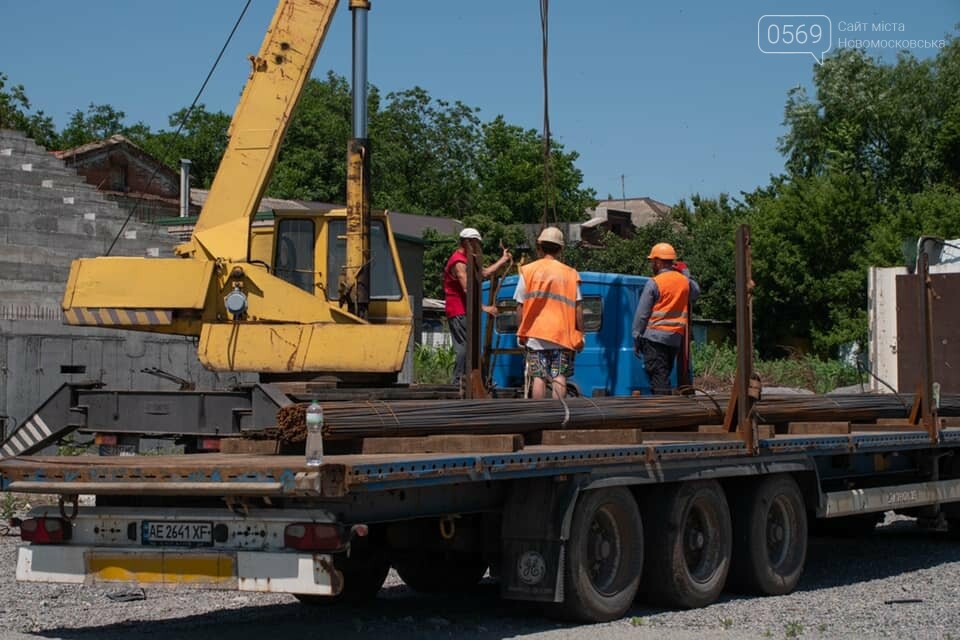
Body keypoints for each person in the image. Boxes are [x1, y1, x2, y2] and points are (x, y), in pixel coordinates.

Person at [515, 227, 584, 399]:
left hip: (535, 335)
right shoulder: (570, 274)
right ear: (560, 249)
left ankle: (539, 415)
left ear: (539, 247)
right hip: (562, 336)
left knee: (538, 376)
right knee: (558, 375)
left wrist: (520, 332)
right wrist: (581, 334)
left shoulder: (528, 271)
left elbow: (519, 305)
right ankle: (559, 416)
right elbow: (578, 308)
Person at [444, 227, 511, 386]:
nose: (478, 247)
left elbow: (485, 273)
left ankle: (473, 381)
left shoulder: (468, 259)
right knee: (464, 348)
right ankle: (457, 382)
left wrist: (503, 260)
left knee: (472, 347)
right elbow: (467, 288)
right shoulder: (458, 261)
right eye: (476, 243)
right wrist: (484, 307)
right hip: (458, 309)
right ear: (467, 242)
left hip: (465, 309)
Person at [632, 242, 700, 394]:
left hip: (654, 338)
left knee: (658, 378)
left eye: (652, 262)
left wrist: (636, 336)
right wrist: (686, 274)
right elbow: (696, 292)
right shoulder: (684, 282)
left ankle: (664, 411)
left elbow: (642, 314)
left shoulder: (654, 282)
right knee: (663, 375)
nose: (652, 265)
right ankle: (666, 407)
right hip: (674, 339)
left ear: (658, 262)